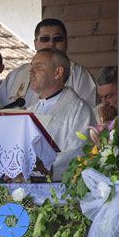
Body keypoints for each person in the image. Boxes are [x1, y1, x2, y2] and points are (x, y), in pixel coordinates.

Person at [27, 48, 95, 181]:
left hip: (60, 189)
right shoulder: (30, 110)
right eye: (31, 66)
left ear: (58, 72)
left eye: (39, 66)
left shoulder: (79, 109)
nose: (31, 72)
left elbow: (78, 151)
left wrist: (46, 167)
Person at [0, 19, 96, 108]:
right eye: (45, 39)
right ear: (35, 43)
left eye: (57, 39)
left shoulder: (79, 75)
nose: (51, 44)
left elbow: (88, 112)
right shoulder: (16, 75)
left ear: (66, 43)